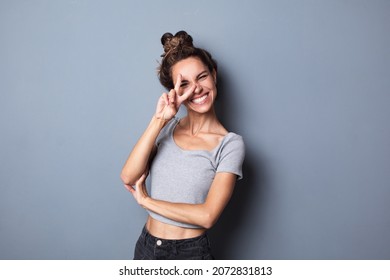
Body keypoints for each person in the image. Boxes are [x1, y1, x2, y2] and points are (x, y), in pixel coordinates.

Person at [120, 31, 245, 260]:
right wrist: (160, 119)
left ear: (214, 76)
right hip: (147, 246)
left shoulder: (229, 145)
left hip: (189, 254)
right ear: (174, 92)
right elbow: (129, 176)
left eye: (202, 77)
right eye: (184, 84)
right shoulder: (168, 128)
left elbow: (207, 216)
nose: (196, 89)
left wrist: (147, 201)